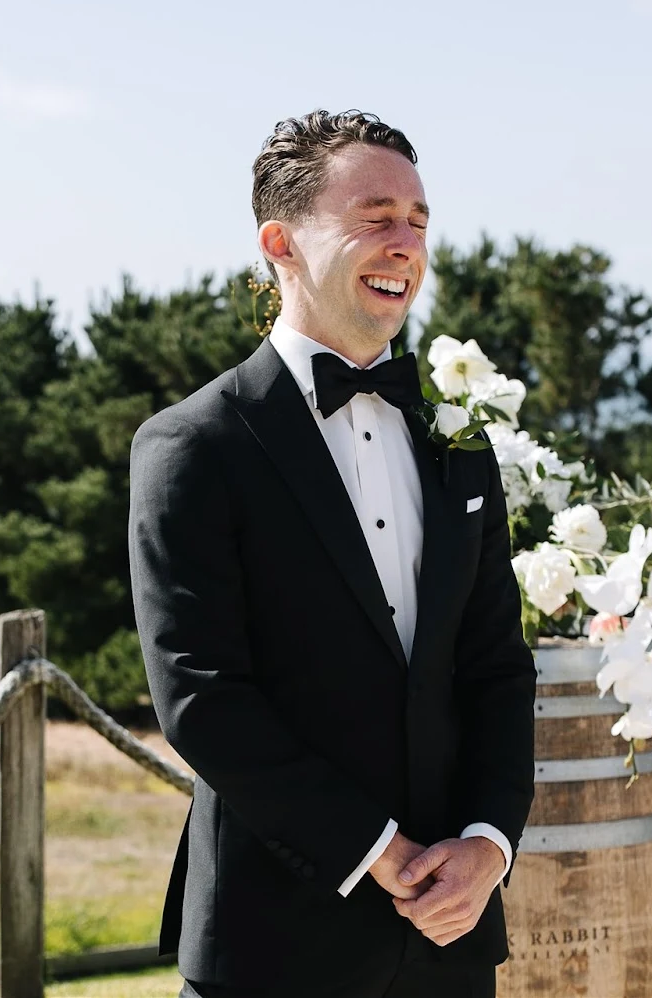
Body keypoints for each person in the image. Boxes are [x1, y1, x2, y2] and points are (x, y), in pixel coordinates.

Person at [128, 110, 537, 998]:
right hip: (273, 945)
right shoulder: (194, 445)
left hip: (450, 940)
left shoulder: (459, 441)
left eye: (419, 221)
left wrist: (487, 845)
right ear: (281, 243)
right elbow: (201, 698)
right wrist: (378, 853)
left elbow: (497, 668)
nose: (406, 244)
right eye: (375, 216)